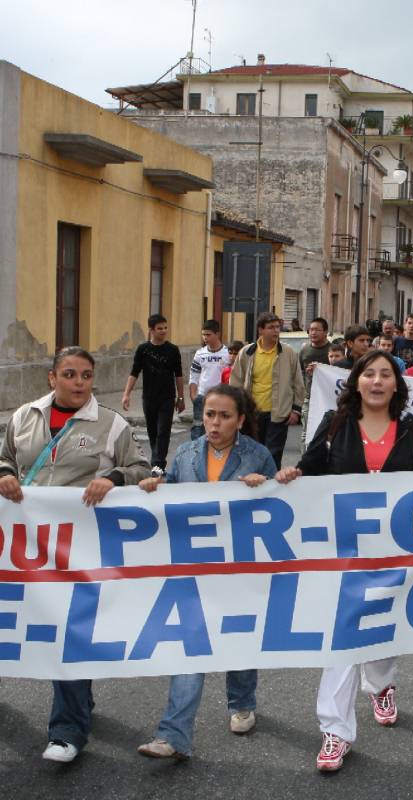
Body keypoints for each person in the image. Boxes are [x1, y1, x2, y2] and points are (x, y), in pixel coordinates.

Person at [276, 350, 413, 772]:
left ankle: (380, 684)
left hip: (395, 552)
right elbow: (309, 468)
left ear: (397, 386)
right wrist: (289, 476)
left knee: (384, 632)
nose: (378, 381)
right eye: (370, 373)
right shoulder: (336, 424)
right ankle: (335, 731)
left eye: (386, 374)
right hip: (341, 553)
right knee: (342, 638)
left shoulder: (411, 427)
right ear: (357, 382)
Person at [0, 346, 150, 763]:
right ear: (52, 378)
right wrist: (4, 474)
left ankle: (67, 729)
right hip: (29, 545)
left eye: (86, 375)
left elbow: (140, 467)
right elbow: (4, 459)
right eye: (70, 374)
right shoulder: (25, 417)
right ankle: (74, 706)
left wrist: (113, 477)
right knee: (35, 629)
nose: (79, 383)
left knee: (68, 634)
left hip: (82, 547)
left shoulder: (111, 424)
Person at [135, 384, 276, 760]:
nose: (215, 423)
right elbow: (174, 500)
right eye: (210, 414)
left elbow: (281, 509)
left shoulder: (258, 456)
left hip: (240, 567)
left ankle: (241, 701)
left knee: (238, 639)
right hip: (194, 567)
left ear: (241, 420)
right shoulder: (185, 453)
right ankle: (173, 734)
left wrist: (264, 489)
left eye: (225, 416)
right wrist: (155, 488)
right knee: (190, 647)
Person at [231, 313, 304, 470]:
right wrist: (237, 408)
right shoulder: (247, 352)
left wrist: (296, 410)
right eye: (271, 327)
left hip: (278, 414)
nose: (276, 331)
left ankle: (271, 486)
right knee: (251, 453)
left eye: (278, 327)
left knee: (273, 454)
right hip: (252, 413)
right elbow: (236, 382)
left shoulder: (288, 352)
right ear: (260, 330)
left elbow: (298, 383)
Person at [121, 314, 185, 473]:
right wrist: (126, 394)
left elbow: (179, 375)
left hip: (167, 398)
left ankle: (158, 464)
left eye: (165, 328)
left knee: (164, 430)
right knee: (152, 431)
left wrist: (181, 397)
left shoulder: (173, 350)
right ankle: (156, 460)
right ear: (151, 330)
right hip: (149, 397)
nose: (163, 331)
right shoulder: (143, 350)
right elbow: (134, 373)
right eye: (159, 328)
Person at [188, 320, 229, 440]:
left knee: (218, 428)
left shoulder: (227, 354)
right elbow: (194, 375)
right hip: (202, 397)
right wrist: (193, 395)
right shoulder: (200, 354)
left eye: (208, 335)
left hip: (220, 397)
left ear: (217, 334)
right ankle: (196, 455)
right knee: (198, 428)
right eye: (203, 335)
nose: (205, 338)